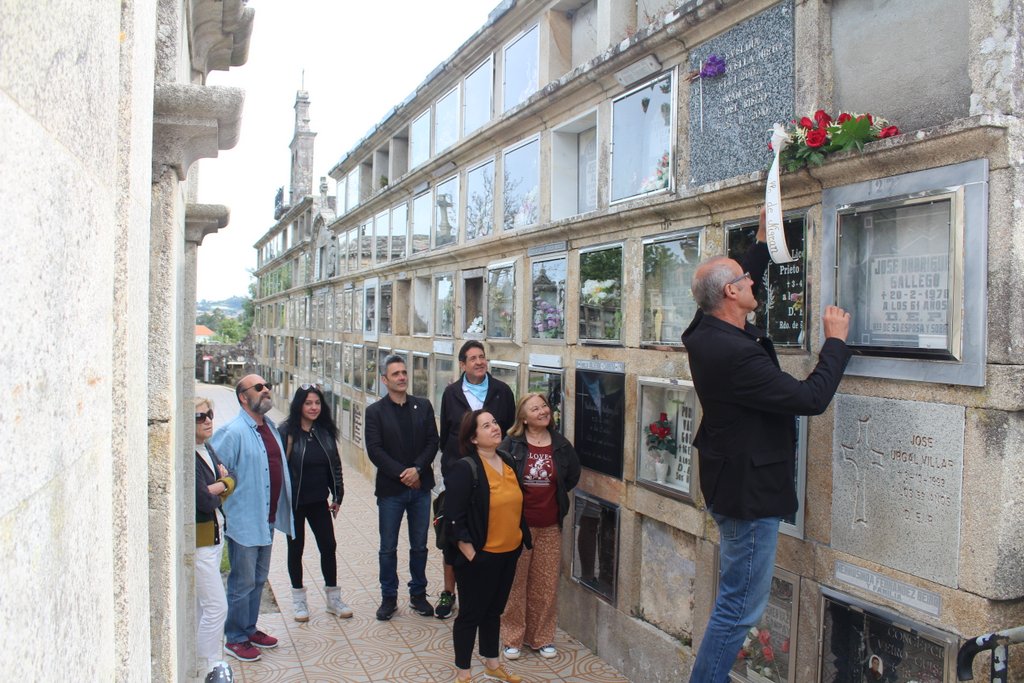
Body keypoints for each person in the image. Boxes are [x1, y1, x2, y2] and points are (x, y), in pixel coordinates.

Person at [682, 210, 852, 683]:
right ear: (730, 293)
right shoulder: (736, 355)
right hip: (748, 495)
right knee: (739, 608)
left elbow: (739, 276)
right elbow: (810, 399)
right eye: (744, 280)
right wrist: (835, 343)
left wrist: (762, 239)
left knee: (736, 601)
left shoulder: (702, 330)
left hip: (728, 481)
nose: (752, 281)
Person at [210, 375, 293, 663]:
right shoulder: (233, 432)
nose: (266, 390)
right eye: (258, 388)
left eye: (266, 385)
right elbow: (215, 471)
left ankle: (249, 628)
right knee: (242, 582)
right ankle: (235, 637)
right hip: (244, 520)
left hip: (266, 518)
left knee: (258, 579)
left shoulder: (269, 428)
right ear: (243, 397)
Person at [444, 410, 531, 683]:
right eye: (486, 425)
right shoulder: (465, 468)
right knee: (471, 614)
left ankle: (492, 664)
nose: (494, 427)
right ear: (473, 438)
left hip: (509, 552)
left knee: (494, 611)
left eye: (494, 422)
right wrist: (472, 555)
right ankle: (464, 673)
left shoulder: (507, 460)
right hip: (480, 557)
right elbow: (454, 519)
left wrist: (519, 540)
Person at [436, 340, 516, 619]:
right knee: (453, 531)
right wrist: (450, 470)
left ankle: (485, 587)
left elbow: (507, 431)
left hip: (492, 474)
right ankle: (449, 592)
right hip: (459, 475)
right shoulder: (452, 393)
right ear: (462, 365)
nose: (479, 362)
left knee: (485, 530)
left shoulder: (502, 391)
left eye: (482, 357)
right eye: (473, 358)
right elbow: (446, 434)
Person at [499, 393, 580, 660]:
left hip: (549, 525)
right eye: (535, 409)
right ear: (523, 418)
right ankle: (512, 638)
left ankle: (541, 637)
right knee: (516, 582)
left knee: (545, 584)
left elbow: (571, 476)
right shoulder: (511, 444)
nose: (543, 411)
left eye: (544, 406)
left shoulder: (561, 445)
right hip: (518, 526)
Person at [364, 355, 440, 620]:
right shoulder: (375, 412)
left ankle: (418, 595)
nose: (402, 377)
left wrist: (417, 469)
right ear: (384, 380)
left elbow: (433, 442)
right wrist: (403, 474)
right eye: (395, 374)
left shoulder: (423, 406)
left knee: (420, 546)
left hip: (420, 488)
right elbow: (375, 450)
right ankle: (389, 597)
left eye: (404, 372)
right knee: (388, 547)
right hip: (391, 491)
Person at [277, 384, 352, 621]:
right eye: (308, 403)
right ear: (299, 405)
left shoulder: (325, 431)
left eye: (317, 403)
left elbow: (335, 465)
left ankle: (333, 599)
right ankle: (299, 600)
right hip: (295, 503)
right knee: (295, 549)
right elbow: (278, 467)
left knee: (328, 546)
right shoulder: (286, 432)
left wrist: (337, 495)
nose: (313, 407)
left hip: (319, 500)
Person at [194, 397, 235, 678]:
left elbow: (232, 478)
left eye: (209, 414)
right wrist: (223, 485)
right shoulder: (190, 456)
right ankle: (207, 664)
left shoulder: (207, 447)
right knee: (217, 607)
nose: (208, 420)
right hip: (202, 542)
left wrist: (220, 485)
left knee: (203, 607)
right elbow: (203, 501)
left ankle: (202, 664)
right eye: (199, 417)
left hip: (214, 537)